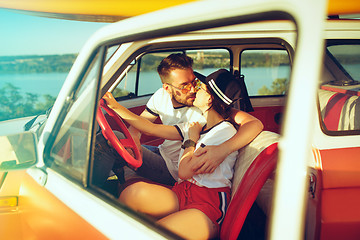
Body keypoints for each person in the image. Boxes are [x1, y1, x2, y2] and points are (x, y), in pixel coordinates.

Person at [103, 69, 254, 239]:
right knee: (131, 195)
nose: (194, 89)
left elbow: (184, 171)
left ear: (210, 98)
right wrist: (116, 107)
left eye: (200, 87)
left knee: (154, 234)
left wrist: (190, 140)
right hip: (183, 191)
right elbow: (151, 127)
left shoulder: (224, 131)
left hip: (207, 203)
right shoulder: (196, 125)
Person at [92, 53, 263, 190]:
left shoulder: (205, 107)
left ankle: (92, 191)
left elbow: (255, 124)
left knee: (108, 141)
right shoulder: (161, 95)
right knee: (114, 139)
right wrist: (134, 138)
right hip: (161, 152)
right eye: (184, 85)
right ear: (167, 88)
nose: (192, 90)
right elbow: (144, 122)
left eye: (194, 82)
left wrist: (223, 150)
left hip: (173, 169)